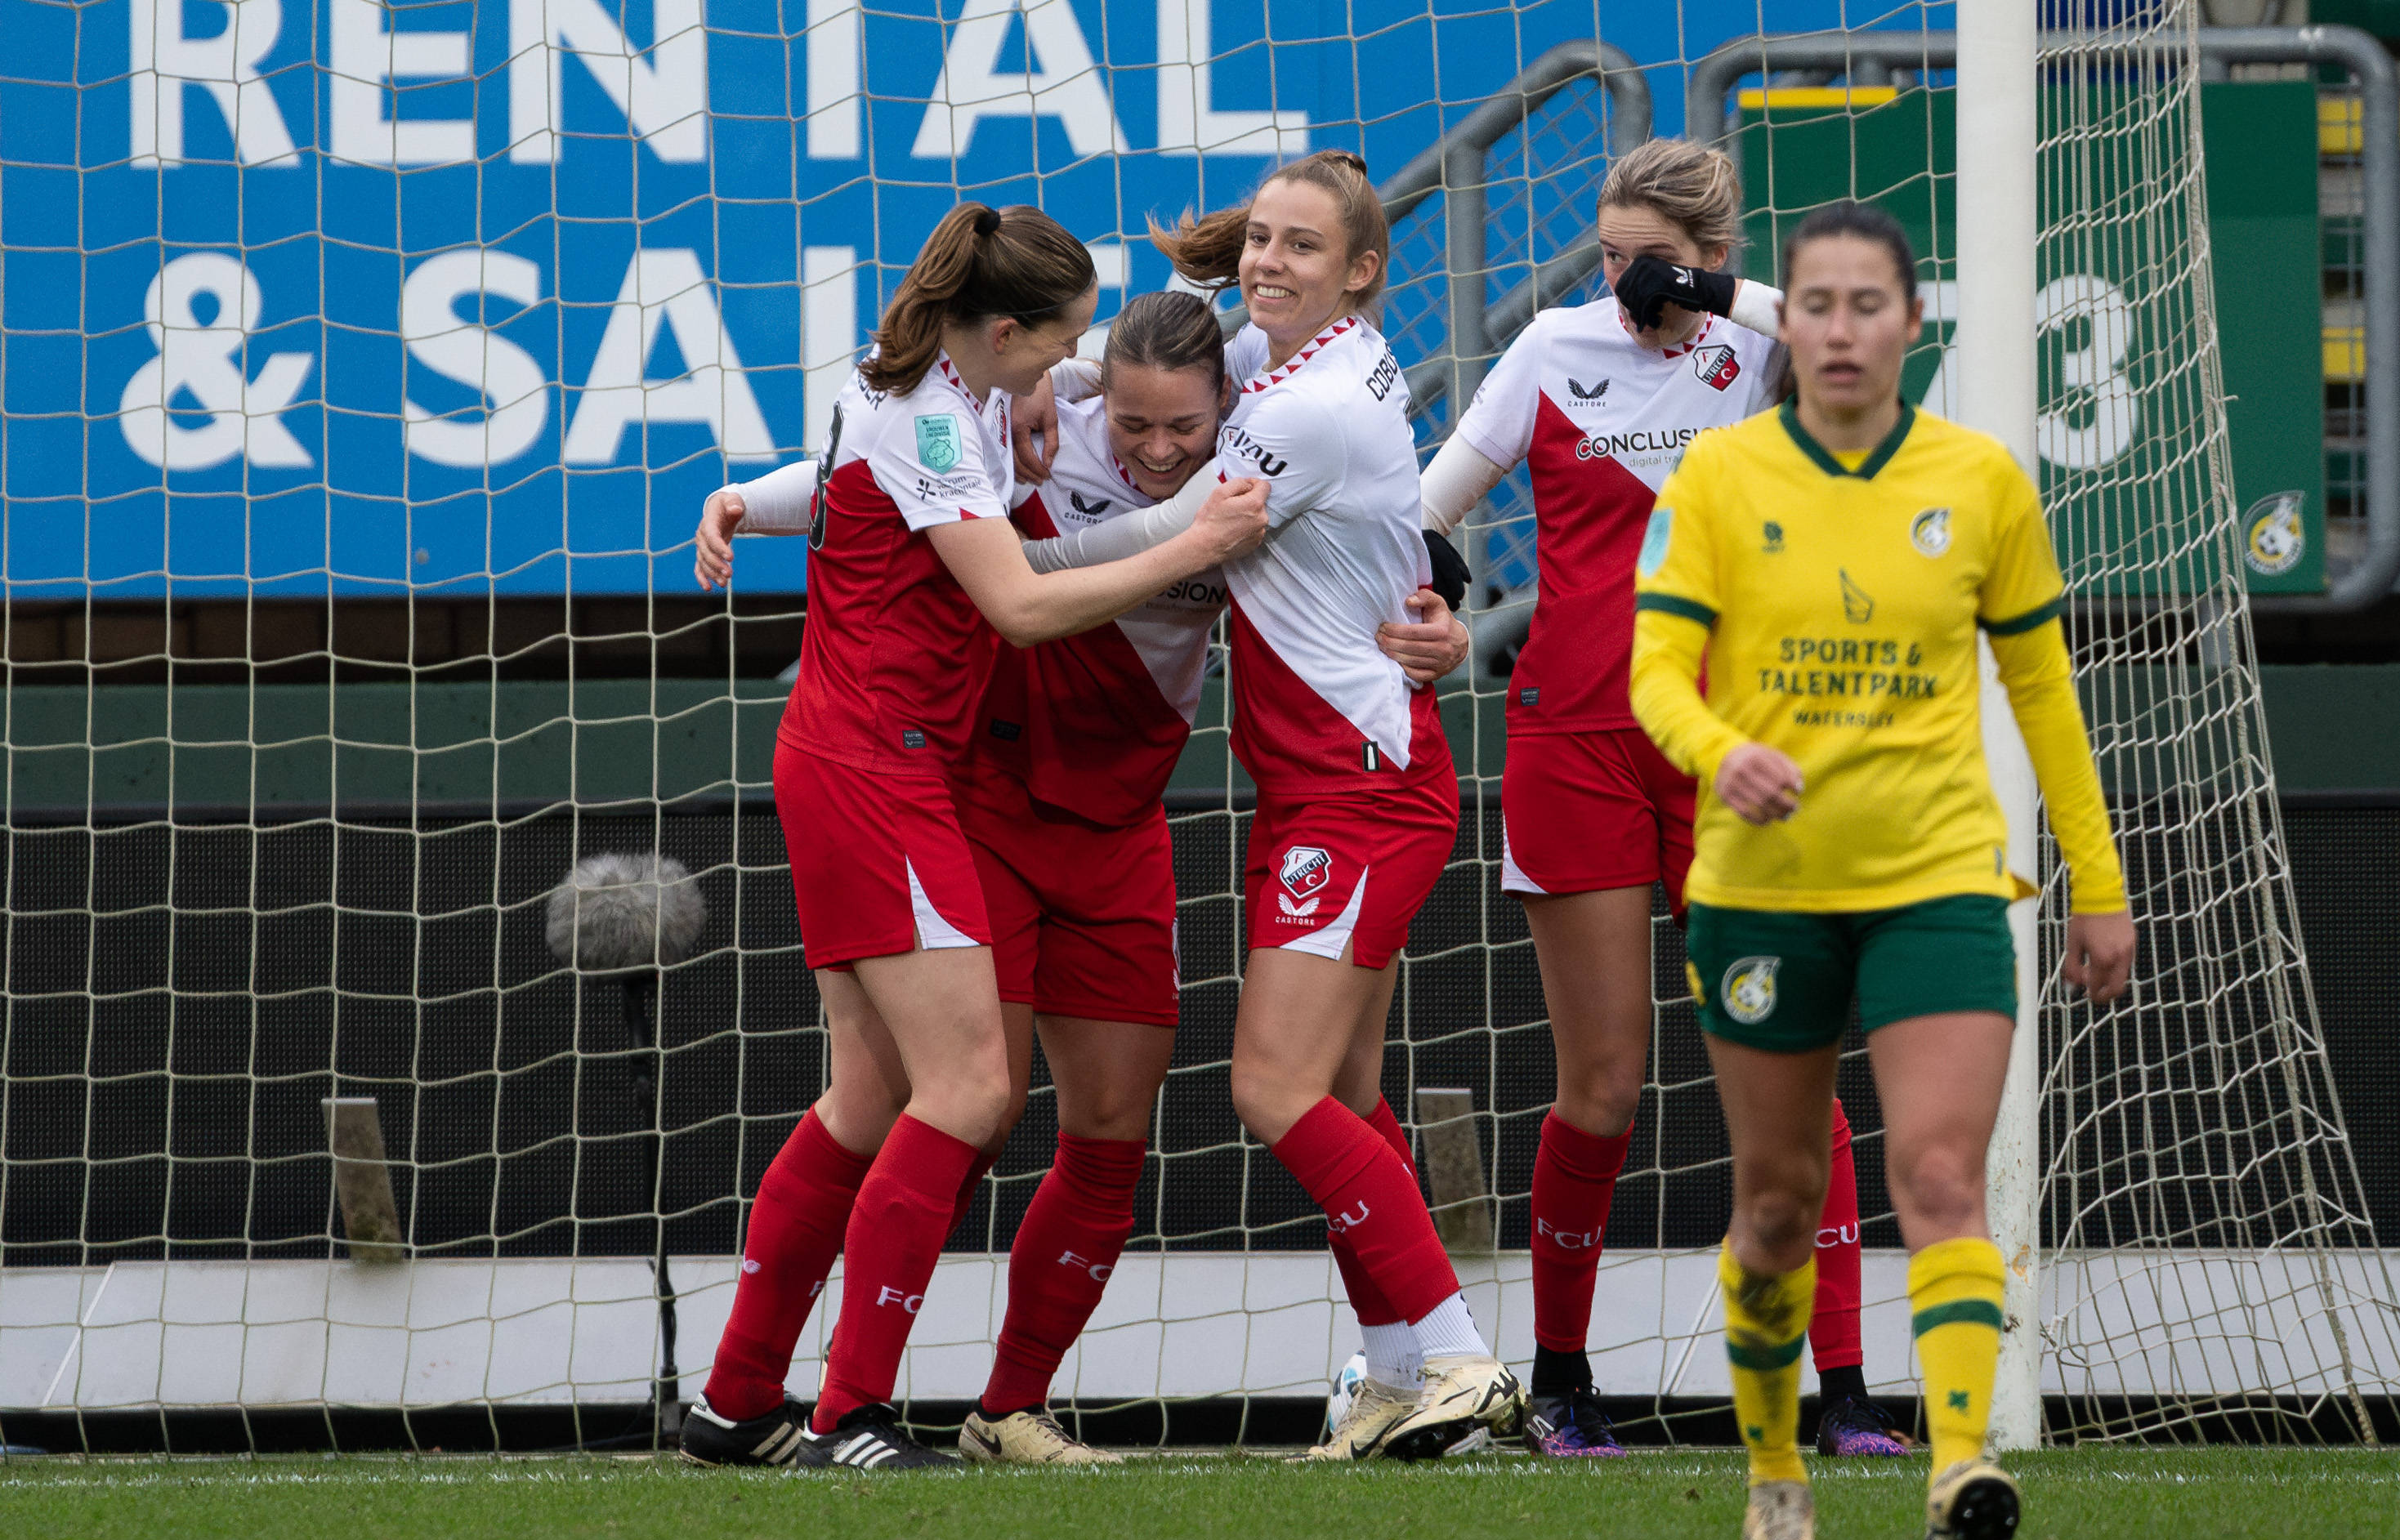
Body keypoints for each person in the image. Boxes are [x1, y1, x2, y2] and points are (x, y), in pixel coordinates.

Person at [675, 200, 1270, 1472]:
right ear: (1002, 330)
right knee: (970, 1090)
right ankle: (849, 1414)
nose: (1068, 366)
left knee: (869, 1096)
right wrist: (1198, 539)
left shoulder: (931, 379)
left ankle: (734, 1397)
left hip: (866, 758)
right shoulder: (941, 415)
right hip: (876, 765)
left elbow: (862, 476)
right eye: (1055, 344)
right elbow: (1018, 604)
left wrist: (744, 499)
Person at [1630, 199, 2135, 1540]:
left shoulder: (1980, 481)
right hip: (1761, 892)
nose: (1842, 329)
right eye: (1817, 304)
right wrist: (1719, 751)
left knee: (1938, 1173)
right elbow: (1654, 675)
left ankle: (1958, 1466)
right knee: (1777, 1199)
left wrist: (2096, 879)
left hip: (1939, 880)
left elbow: (2043, 692)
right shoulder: (1718, 477)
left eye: (1868, 305)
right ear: (1782, 323)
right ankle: (1775, 1477)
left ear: (1913, 323)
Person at [1024, 150, 1523, 1462]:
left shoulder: (1302, 405)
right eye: (1261, 238)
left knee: (1271, 1084)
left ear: (1361, 272)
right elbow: (1168, 371)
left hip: (1357, 786)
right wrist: (1046, 380)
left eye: (1302, 246)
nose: (1267, 262)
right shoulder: (1294, 361)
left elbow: (1167, 530)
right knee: (1344, 1094)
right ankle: (1400, 1373)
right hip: (1326, 777)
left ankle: (1459, 1358)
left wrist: (1004, 560)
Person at [1417, 137, 1904, 1459]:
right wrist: (1431, 603)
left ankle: (1845, 1392)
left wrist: (1711, 295)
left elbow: (1863, 346)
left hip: (1734, 747)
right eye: (1608, 252)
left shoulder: (1761, 347)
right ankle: (1563, 1381)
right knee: (1602, 1084)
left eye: (1649, 259)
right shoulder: (1549, 348)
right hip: (1574, 739)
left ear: (1707, 254)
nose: (1622, 281)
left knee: (1791, 1067)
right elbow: (1424, 509)